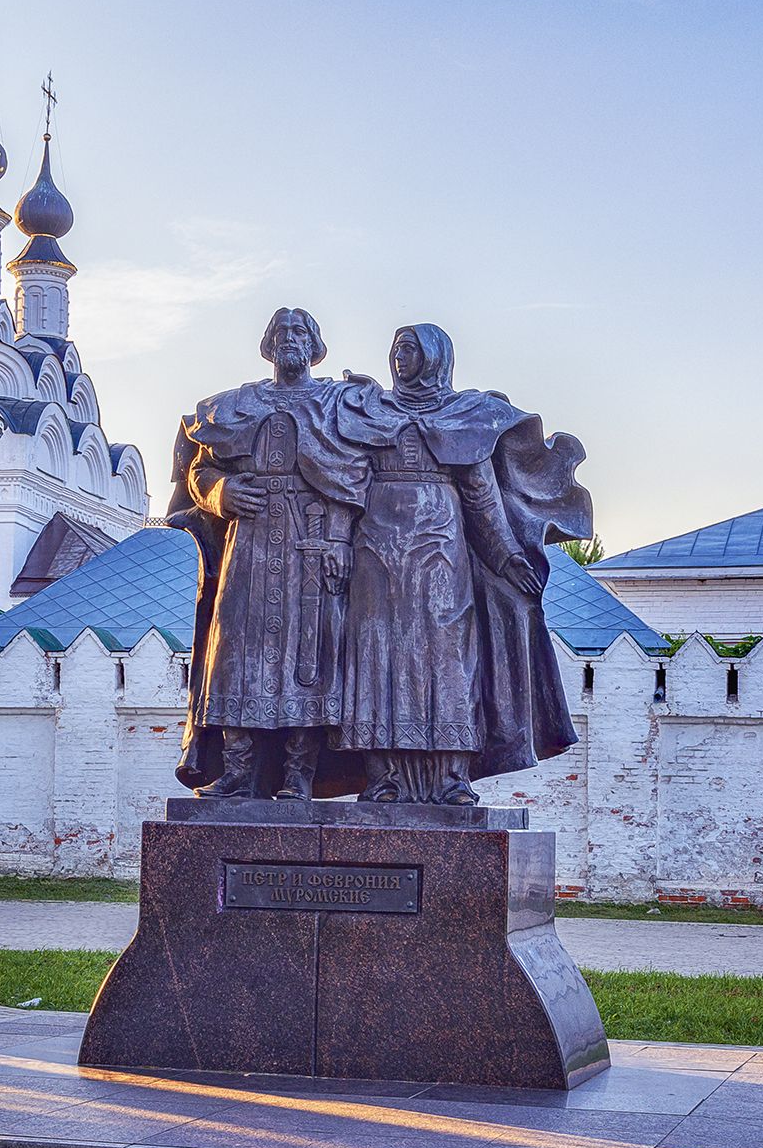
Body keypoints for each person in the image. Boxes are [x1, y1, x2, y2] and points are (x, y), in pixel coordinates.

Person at [334, 323, 591, 804]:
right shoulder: (371, 412)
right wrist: (334, 543)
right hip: (377, 550)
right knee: (376, 653)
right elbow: (342, 484)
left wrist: (507, 556)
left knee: (449, 657)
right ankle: (383, 776)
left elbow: (481, 496)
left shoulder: (463, 416)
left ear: (434, 356)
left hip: (440, 550)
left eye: (410, 349)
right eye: (396, 349)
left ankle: (451, 776)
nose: (400, 358)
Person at [169, 308, 368, 800]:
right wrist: (221, 492)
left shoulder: (334, 405)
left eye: (300, 332)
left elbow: (354, 475)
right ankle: (238, 771)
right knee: (236, 651)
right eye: (282, 332)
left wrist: (339, 539)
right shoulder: (236, 405)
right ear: (268, 344)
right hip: (250, 542)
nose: (290, 339)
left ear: (315, 345)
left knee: (310, 653)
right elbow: (200, 468)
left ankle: (299, 775)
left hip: (310, 541)